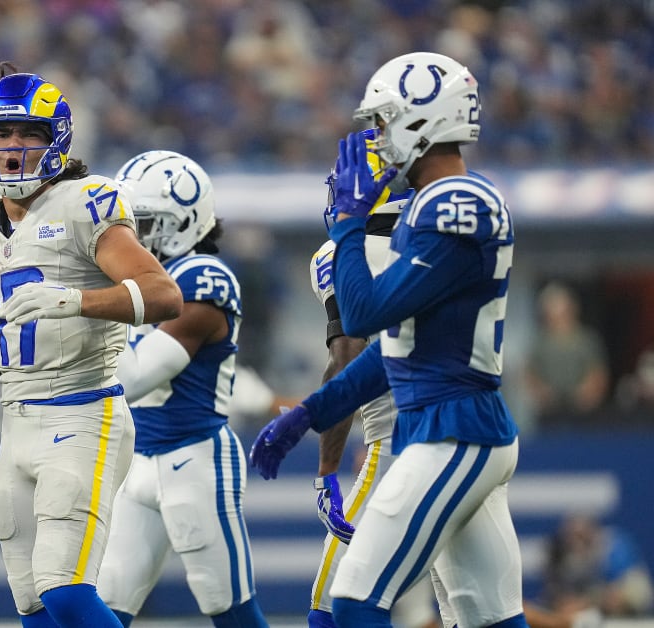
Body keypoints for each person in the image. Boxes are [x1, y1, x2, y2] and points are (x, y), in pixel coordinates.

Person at [249, 51, 526, 628]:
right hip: (452, 425)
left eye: (382, 122)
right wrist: (309, 414)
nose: (375, 139)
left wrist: (349, 224)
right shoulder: (432, 207)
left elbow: (364, 313)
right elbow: (392, 350)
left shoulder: (458, 204)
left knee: (352, 601)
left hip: (452, 430)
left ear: (422, 118)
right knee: (488, 620)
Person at [0, 64, 182, 628]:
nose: (13, 147)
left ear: (56, 138)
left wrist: (75, 301)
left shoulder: (87, 202)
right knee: (32, 604)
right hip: (17, 421)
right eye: (0, 135)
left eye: (29, 133)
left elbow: (163, 294)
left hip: (85, 413)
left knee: (66, 591)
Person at [91, 150, 270, 627]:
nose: (130, 237)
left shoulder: (202, 280)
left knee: (229, 610)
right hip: (139, 462)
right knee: (104, 606)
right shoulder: (142, 282)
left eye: (142, 223)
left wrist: (72, 309)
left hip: (195, 461)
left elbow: (133, 377)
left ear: (180, 223)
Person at [304, 130, 441, 628]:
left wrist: (326, 469)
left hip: (397, 445)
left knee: (332, 606)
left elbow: (347, 358)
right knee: (472, 609)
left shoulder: (339, 253)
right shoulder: (442, 235)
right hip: (466, 433)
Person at [522, 282, 610, 429]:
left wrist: (589, 393)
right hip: (550, 413)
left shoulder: (586, 340)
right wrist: (541, 393)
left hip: (584, 413)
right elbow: (530, 373)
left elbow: (598, 372)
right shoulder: (540, 342)